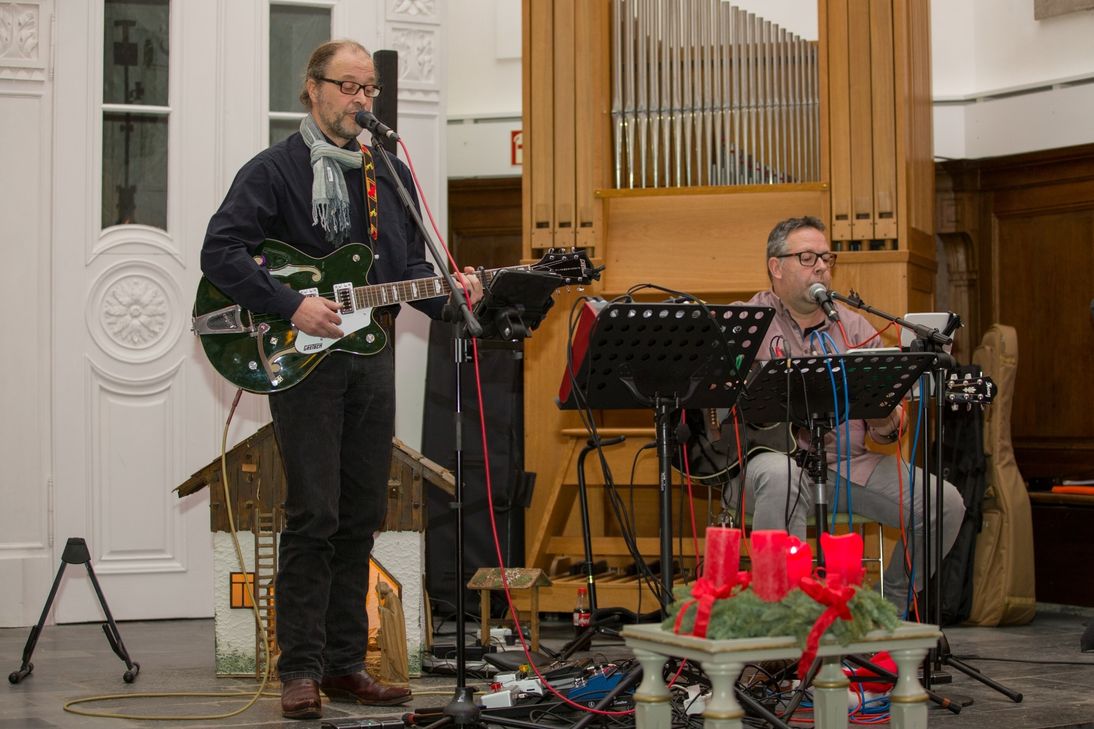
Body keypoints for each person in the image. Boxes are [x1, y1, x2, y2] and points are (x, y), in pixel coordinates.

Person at [201, 39, 482, 720]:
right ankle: (298, 668)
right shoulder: (275, 170)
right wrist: (290, 303)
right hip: (304, 360)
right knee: (314, 513)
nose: (361, 99)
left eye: (369, 89)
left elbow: (403, 274)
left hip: (371, 356)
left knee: (361, 512)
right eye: (349, 86)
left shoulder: (389, 174)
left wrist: (457, 295)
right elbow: (221, 251)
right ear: (313, 88)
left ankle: (345, 663)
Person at [725, 216, 965, 614]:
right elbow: (707, 395)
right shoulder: (746, 321)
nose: (821, 266)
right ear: (776, 267)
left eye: (826, 257)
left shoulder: (852, 326)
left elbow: (890, 428)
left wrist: (886, 420)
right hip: (763, 467)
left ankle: (889, 610)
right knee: (783, 477)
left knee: (945, 503)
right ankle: (781, 619)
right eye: (808, 257)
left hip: (844, 465)